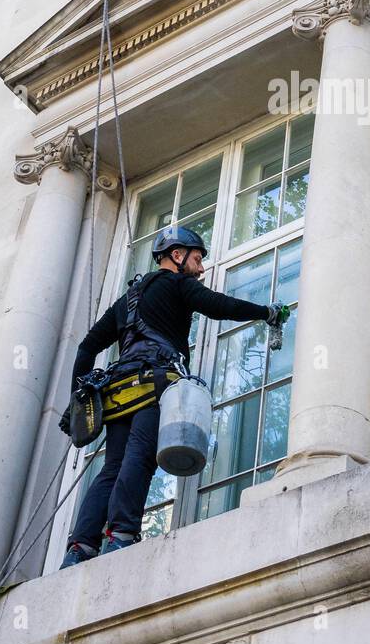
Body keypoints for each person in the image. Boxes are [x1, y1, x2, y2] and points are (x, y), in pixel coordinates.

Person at [59, 224, 289, 566]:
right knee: (140, 456)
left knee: (113, 466)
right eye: (197, 259)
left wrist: (79, 394)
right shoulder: (178, 283)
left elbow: (86, 347)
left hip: (119, 393)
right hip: (155, 386)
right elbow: (218, 305)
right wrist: (266, 312)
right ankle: (121, 535)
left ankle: (80, 546)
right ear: (177, 256)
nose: (202, 268)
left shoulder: (126, 302)